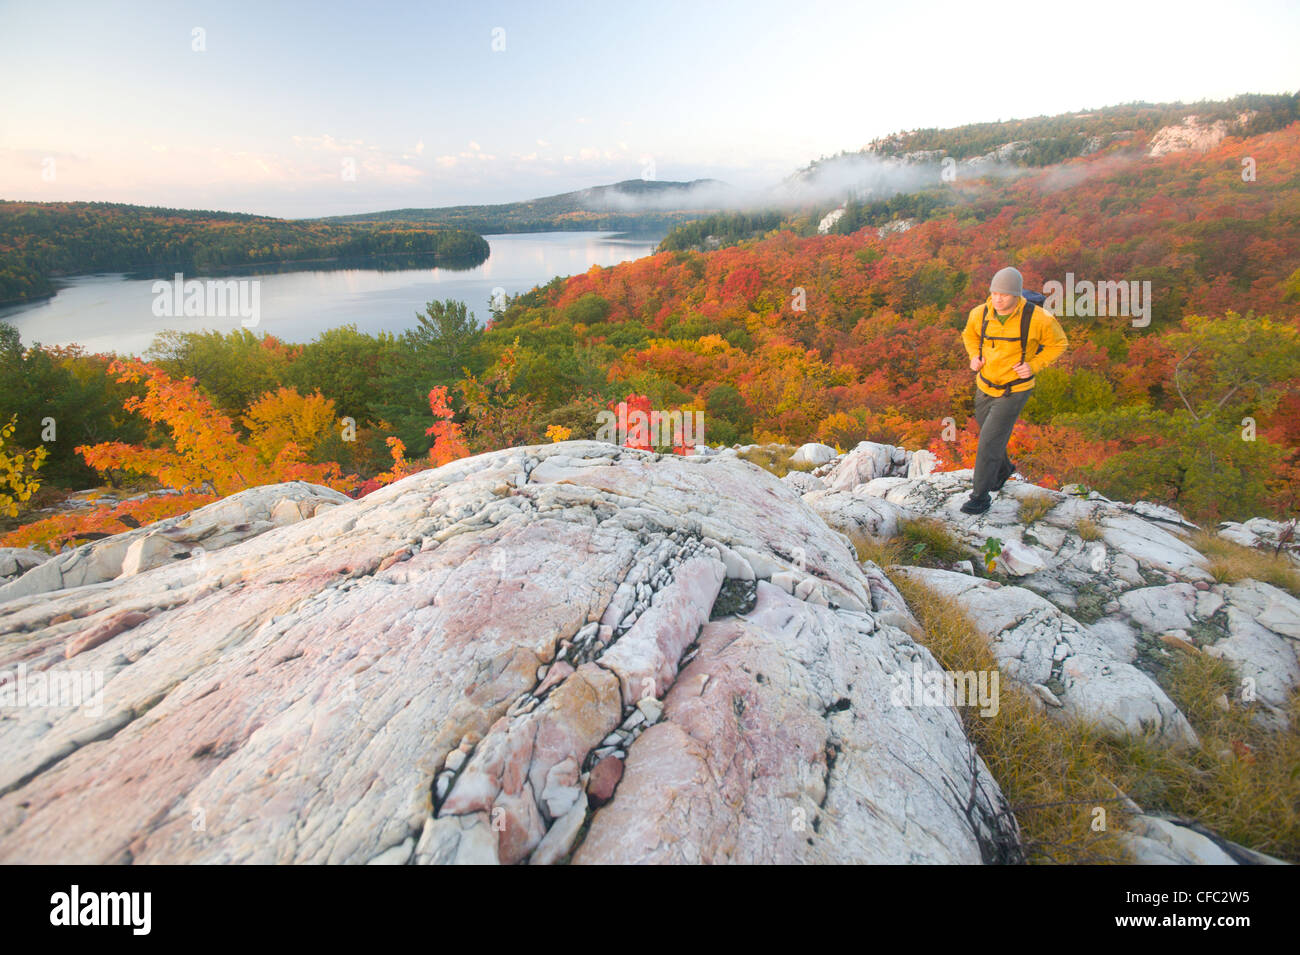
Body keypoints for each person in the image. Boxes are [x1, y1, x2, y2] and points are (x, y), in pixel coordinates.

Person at [958, 266, 1068, 514]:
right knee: (990, 435)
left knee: (988, 443)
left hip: (1014, 390)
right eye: (994, 293)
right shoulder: (981, 313)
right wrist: (974, 355)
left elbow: (1059, 343)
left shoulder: (1038, 318)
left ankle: (980, 497)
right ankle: (1004, 470)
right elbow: (969, 335)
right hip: (985, 384)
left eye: (1004, 295)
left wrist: (1034, 365)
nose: (997, 299)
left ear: (1016, 295)